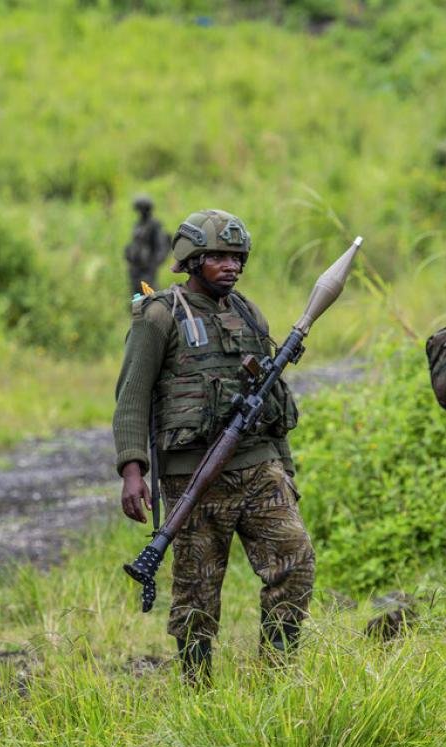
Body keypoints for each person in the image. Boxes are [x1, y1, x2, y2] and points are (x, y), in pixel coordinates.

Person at [112, 209, 314, 683]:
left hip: (260, 466)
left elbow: (271, 395)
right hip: (192, 476)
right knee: (197, 591)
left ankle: (277, 676)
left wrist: (285, 467)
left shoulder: (246, 311)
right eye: (219, 257)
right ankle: (197, 689)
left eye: (237, 258)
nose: (231, 266)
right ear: (192, 259)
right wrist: (132, 470)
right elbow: (132, 396)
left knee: (296, 561)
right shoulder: (160, 316)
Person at [123, 194, 171, 297]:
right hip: (136, 267)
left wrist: (153, 264)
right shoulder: (138, 224)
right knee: (136, 296)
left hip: (147, 268)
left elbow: (161, 246)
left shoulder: (154, 225)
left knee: (148, 295)